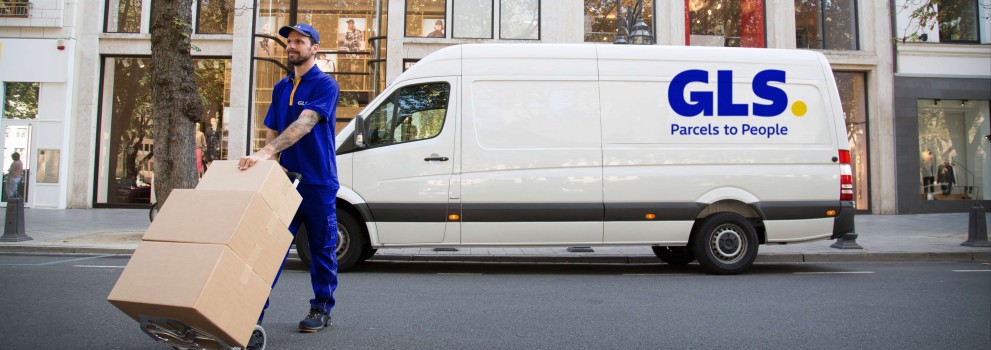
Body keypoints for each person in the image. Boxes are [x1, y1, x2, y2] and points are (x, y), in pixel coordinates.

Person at [239, 22, 341, 339]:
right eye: (289, 42)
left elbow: (305, 123)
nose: (292, 46)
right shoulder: (282, 87)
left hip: (318, 183)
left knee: (322, 249)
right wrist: (270, 159)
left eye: (300, 41)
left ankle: (321, 309)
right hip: (284, 183)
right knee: (269, 251)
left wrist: (267, 151)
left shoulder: (325, 85)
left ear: (314, 49)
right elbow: (273, 126)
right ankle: (250, 315)